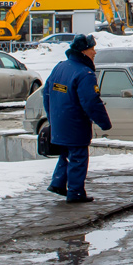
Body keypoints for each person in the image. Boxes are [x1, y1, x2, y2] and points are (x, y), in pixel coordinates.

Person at [43, 34, 112, 204]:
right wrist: (104, 122)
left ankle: (58, 183)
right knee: (78, 157)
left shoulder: (60, 67)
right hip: (75, 123)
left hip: (60, 121)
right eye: (92, 49)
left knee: (66, 153)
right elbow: (90, 101)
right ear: (83, 51)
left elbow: (46, 93)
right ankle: (76, 192)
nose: (94, 53)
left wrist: (52, 117)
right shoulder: (85, 73)